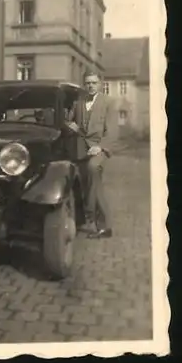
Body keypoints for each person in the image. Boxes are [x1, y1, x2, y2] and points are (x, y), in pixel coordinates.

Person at [67, 69, 117, 239]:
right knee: (87, 184)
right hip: (81, 148)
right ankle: (92, 221)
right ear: (84, 84)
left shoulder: (109, 102)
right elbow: (71, 121)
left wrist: (101, 147)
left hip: (98, 149)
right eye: (88, 83)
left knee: (93, 169)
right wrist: (71, 125)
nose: (91, 86)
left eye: (94, 82)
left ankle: (103, 225)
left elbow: (112, 131)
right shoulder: (79, 102)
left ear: (100, 83)